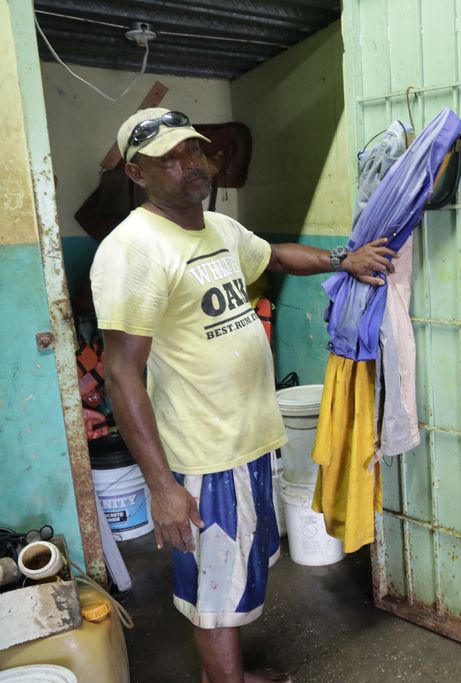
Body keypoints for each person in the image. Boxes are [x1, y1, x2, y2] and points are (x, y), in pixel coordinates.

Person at [90, 107, 397, 683]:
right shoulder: (134, 250)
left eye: (194, 151)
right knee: (217, 584)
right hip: (206, 456)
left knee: (238, 575)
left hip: (251, 440)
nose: (191, 166)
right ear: (137, 174)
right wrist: (162, 488)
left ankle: (224, 676)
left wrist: (342, 260)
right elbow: (121, 375)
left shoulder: (219, 230)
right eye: (170, 159)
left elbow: (274, 256)